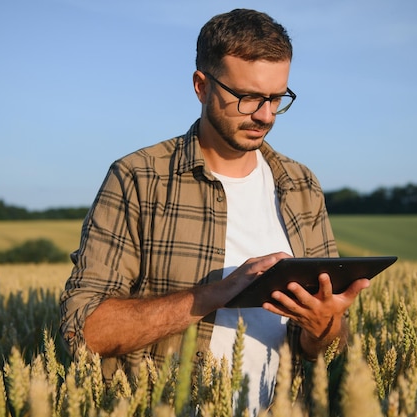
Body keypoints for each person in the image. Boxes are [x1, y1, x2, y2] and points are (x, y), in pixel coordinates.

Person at [59, 8, 370, 413]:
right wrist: (217, 292)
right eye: (247, 98)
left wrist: (323, 328)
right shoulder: (138, 178)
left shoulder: (301, 185)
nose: (265, 115)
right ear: (201, 86)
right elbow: (86, 330)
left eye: (277, 98)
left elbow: (327, 344)